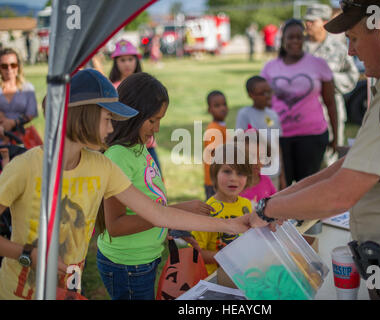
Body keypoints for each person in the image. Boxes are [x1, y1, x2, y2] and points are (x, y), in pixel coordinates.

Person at [250, 0, 380, 300]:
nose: (350, 52)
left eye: (354, 39)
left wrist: (268, 211)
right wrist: (276, 202)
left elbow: (340, 193)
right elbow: (347, 166)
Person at [0, 69, 250, 300]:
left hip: (69, 285)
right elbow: (126, 222)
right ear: (84, 116)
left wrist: (230, 224)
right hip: (17, 291)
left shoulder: (101, 166)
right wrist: (29, 254)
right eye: (108, 118)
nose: (112, 127)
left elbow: (158, 213)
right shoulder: (26, 168)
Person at [95, 72, 212, 300]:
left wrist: (171, 227)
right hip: (128, 265)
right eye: (152, 121)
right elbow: (116, 226)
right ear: (131, 114)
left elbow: (149, 202)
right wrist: (172, 213)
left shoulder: (138, 148)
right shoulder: (119, 157)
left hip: (143, 258)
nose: (157, 129)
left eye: (160, 120)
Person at [261, 19, 338, 187]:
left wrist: (336, 136)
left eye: (299, 37)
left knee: (307, 187)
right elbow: (263, 106)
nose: (295, 41)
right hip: (279, 137)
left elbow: (330, 102)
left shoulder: (318, 64)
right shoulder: (269, 68)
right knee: (282, 188)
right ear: (283, 40)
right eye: (290, 37)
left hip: (312, 136)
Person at [303, 3, 359, 165]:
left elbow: (352, 76)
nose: (308, 24)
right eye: (306, 20)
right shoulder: (297, 47)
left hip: (331, 113)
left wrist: (329, 79)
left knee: (332, 160)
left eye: (313, 21)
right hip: (302, 114)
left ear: (325, 23)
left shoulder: (338, 48)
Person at [192, 143, 253, 275]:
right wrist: (225, 258)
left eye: (240, 173)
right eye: (227, 171)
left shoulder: (247, 205)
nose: (233, 178)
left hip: (244, 274)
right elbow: (194, 254)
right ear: (215, 174)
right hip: (215, 279)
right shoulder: (207, 210)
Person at [108, 39, 161, 172]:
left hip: (146, 144)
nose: (127, 64)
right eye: (122, 60)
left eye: (130, 59)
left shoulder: (145, 85)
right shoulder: (111, 88)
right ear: (116, 63)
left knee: (154, 179)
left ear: (137, 60)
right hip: (123, 144)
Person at [235, 75, 285, 190]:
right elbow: (239, 144)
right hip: (254, 175)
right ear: (251, 95)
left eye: (269, 92)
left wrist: (282, 176)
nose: (268, 96)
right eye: (262, 93)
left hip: (273, 173)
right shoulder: (245, 114)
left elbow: (278, 146)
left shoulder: (273, 115)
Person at [0, 48, 38, 144]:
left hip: (22, 137)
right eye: (4, 66)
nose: (9, 69)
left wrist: (13, 122)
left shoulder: (27, 88)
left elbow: (31, 113)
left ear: (18, 67)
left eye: (13, 65)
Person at [238, 129, 277, 203]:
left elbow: (276, 202)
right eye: (251, 157)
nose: (257, 162)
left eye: (261, 157)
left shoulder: (266, 180)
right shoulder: (234, 183)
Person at [203, 90, 228, 200]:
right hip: (214, 180)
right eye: (217, 106)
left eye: (224, 104)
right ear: (209, 110)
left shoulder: (221, 126)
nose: (222, 108)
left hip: (221, 177)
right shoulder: (213, 128)